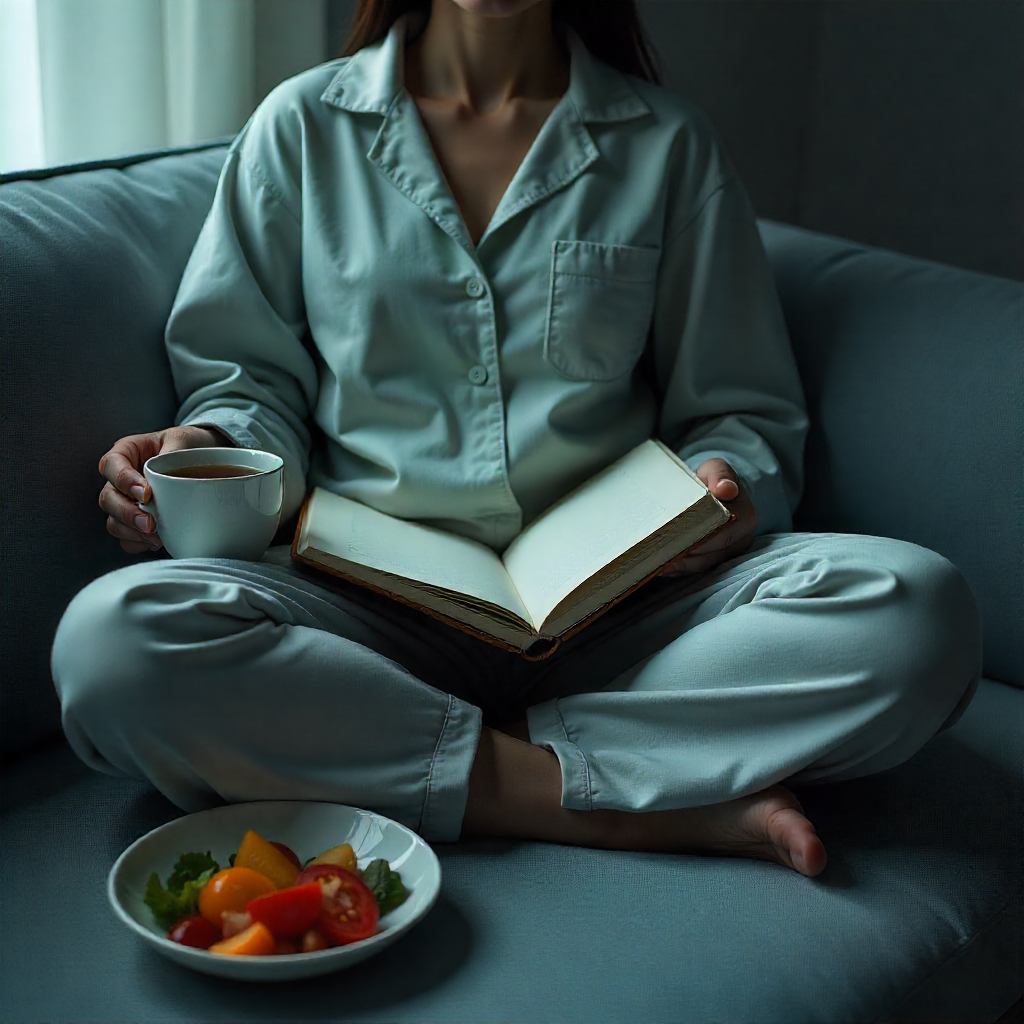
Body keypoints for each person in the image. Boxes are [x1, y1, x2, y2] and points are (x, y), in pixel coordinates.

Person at [52, 0, 981, 879]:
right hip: (365, 615)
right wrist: (207, 449)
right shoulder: (300, 127)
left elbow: (741, 409)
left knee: (917, 612)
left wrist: (724, 491)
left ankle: (431, 754)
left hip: (620, 616)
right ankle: (613, 800)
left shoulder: (666, 145)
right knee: (110, 646)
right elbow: (248, 382)